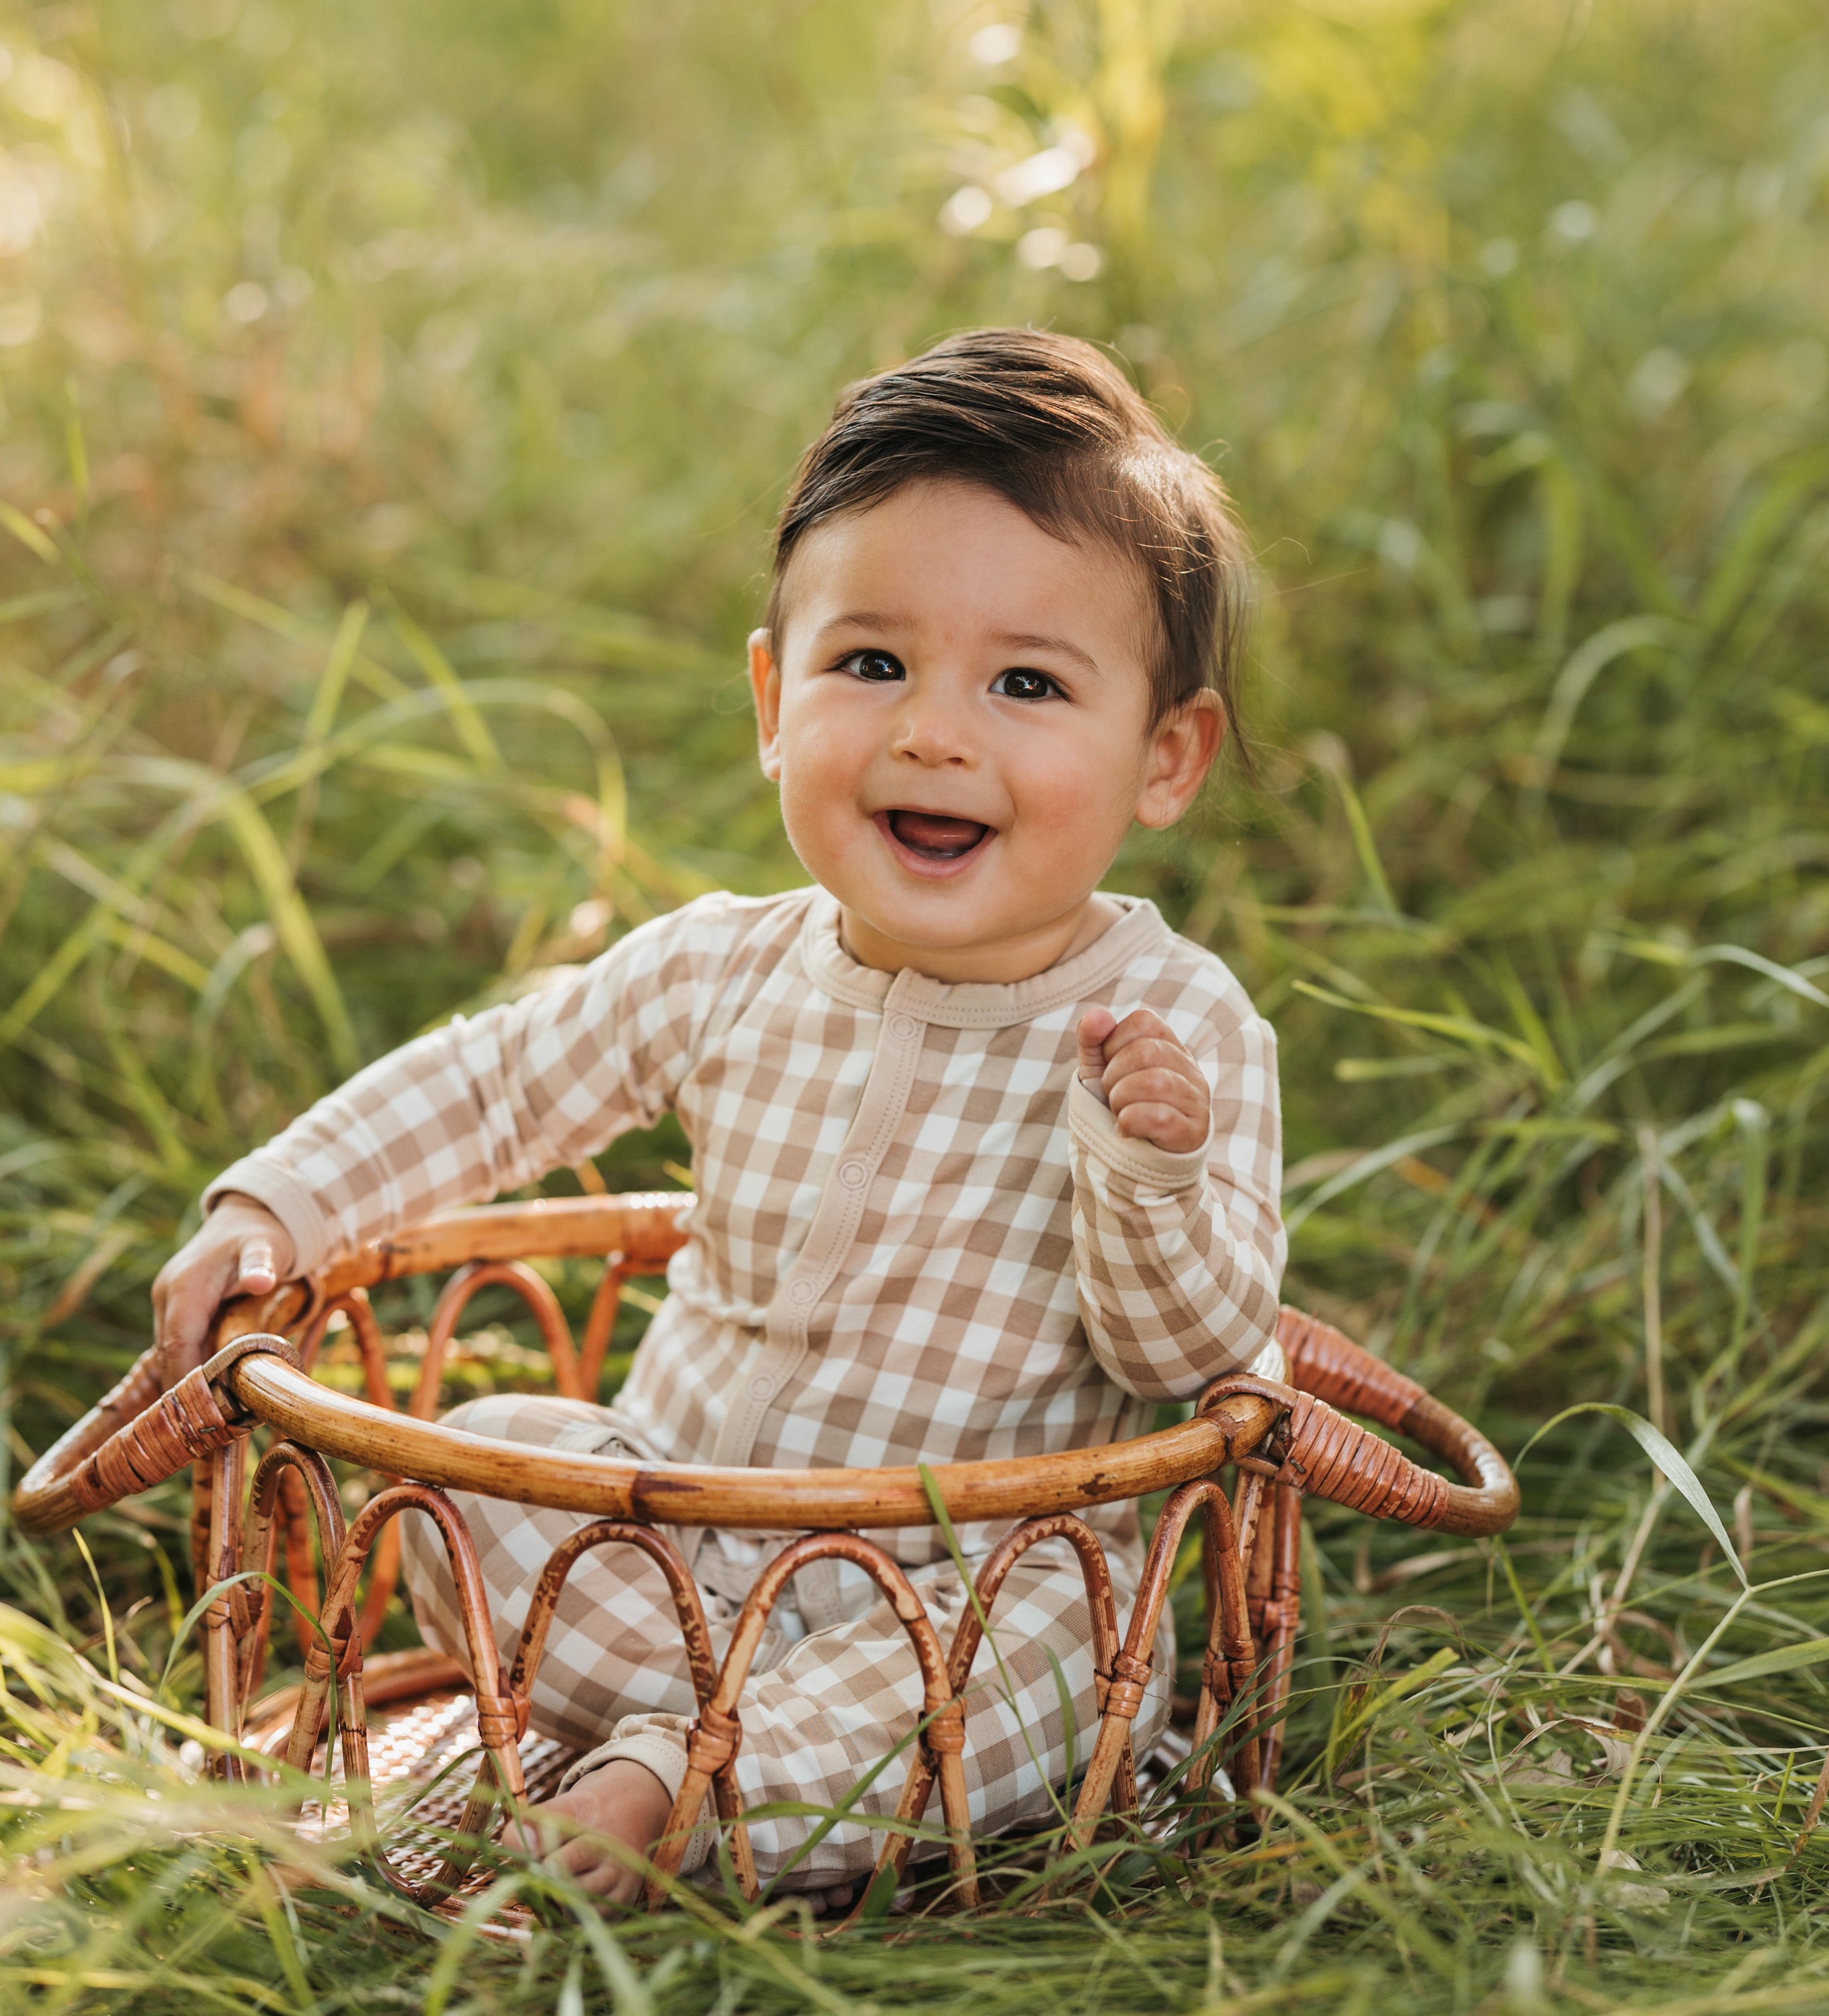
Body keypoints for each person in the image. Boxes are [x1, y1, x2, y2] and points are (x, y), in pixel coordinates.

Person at [152, 328, 1285, 1904]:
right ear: (773, 699)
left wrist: (1149, 1171)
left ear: (1166, 758)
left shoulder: (1177, 1027)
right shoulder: (722, 967)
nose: (932, 733)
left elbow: (1201, 1358)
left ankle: (674, 1786)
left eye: (1026, 683)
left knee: (1076, 1631)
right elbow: (496, 1082)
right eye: (870, 664)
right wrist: (278, 1205)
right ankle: (711, 1757)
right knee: (476, 1460)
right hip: (669, 1541)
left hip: (961, 1585)